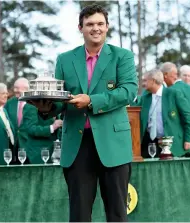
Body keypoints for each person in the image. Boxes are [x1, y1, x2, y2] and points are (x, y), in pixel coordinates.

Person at [52, 4, 138, 222]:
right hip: (77, 146)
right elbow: (59, 100)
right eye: (90, 24)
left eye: (100, 23)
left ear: (107, 27)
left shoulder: (123, 56)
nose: (95, 28)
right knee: (79, 215)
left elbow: (129, 91)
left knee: (118, 213)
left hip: (114, 144)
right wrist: (47, 106)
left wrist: (92, 100)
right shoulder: (64, 59)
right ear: (80, 28)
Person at [140, 69, 190, 158]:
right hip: (150, 145)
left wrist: (189, 139)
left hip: (173, 145)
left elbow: (188, 116)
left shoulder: (173, 93)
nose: (143, 83)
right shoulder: (144, 98)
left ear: (153, 81)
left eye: (145, 80)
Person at [4, 78, 29, 160]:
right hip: (13, 145)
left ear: (26, 89)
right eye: (14, 87)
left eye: (17, 88)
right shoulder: (9, 103)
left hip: (30, 145)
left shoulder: (35, 101)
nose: (15, 90)